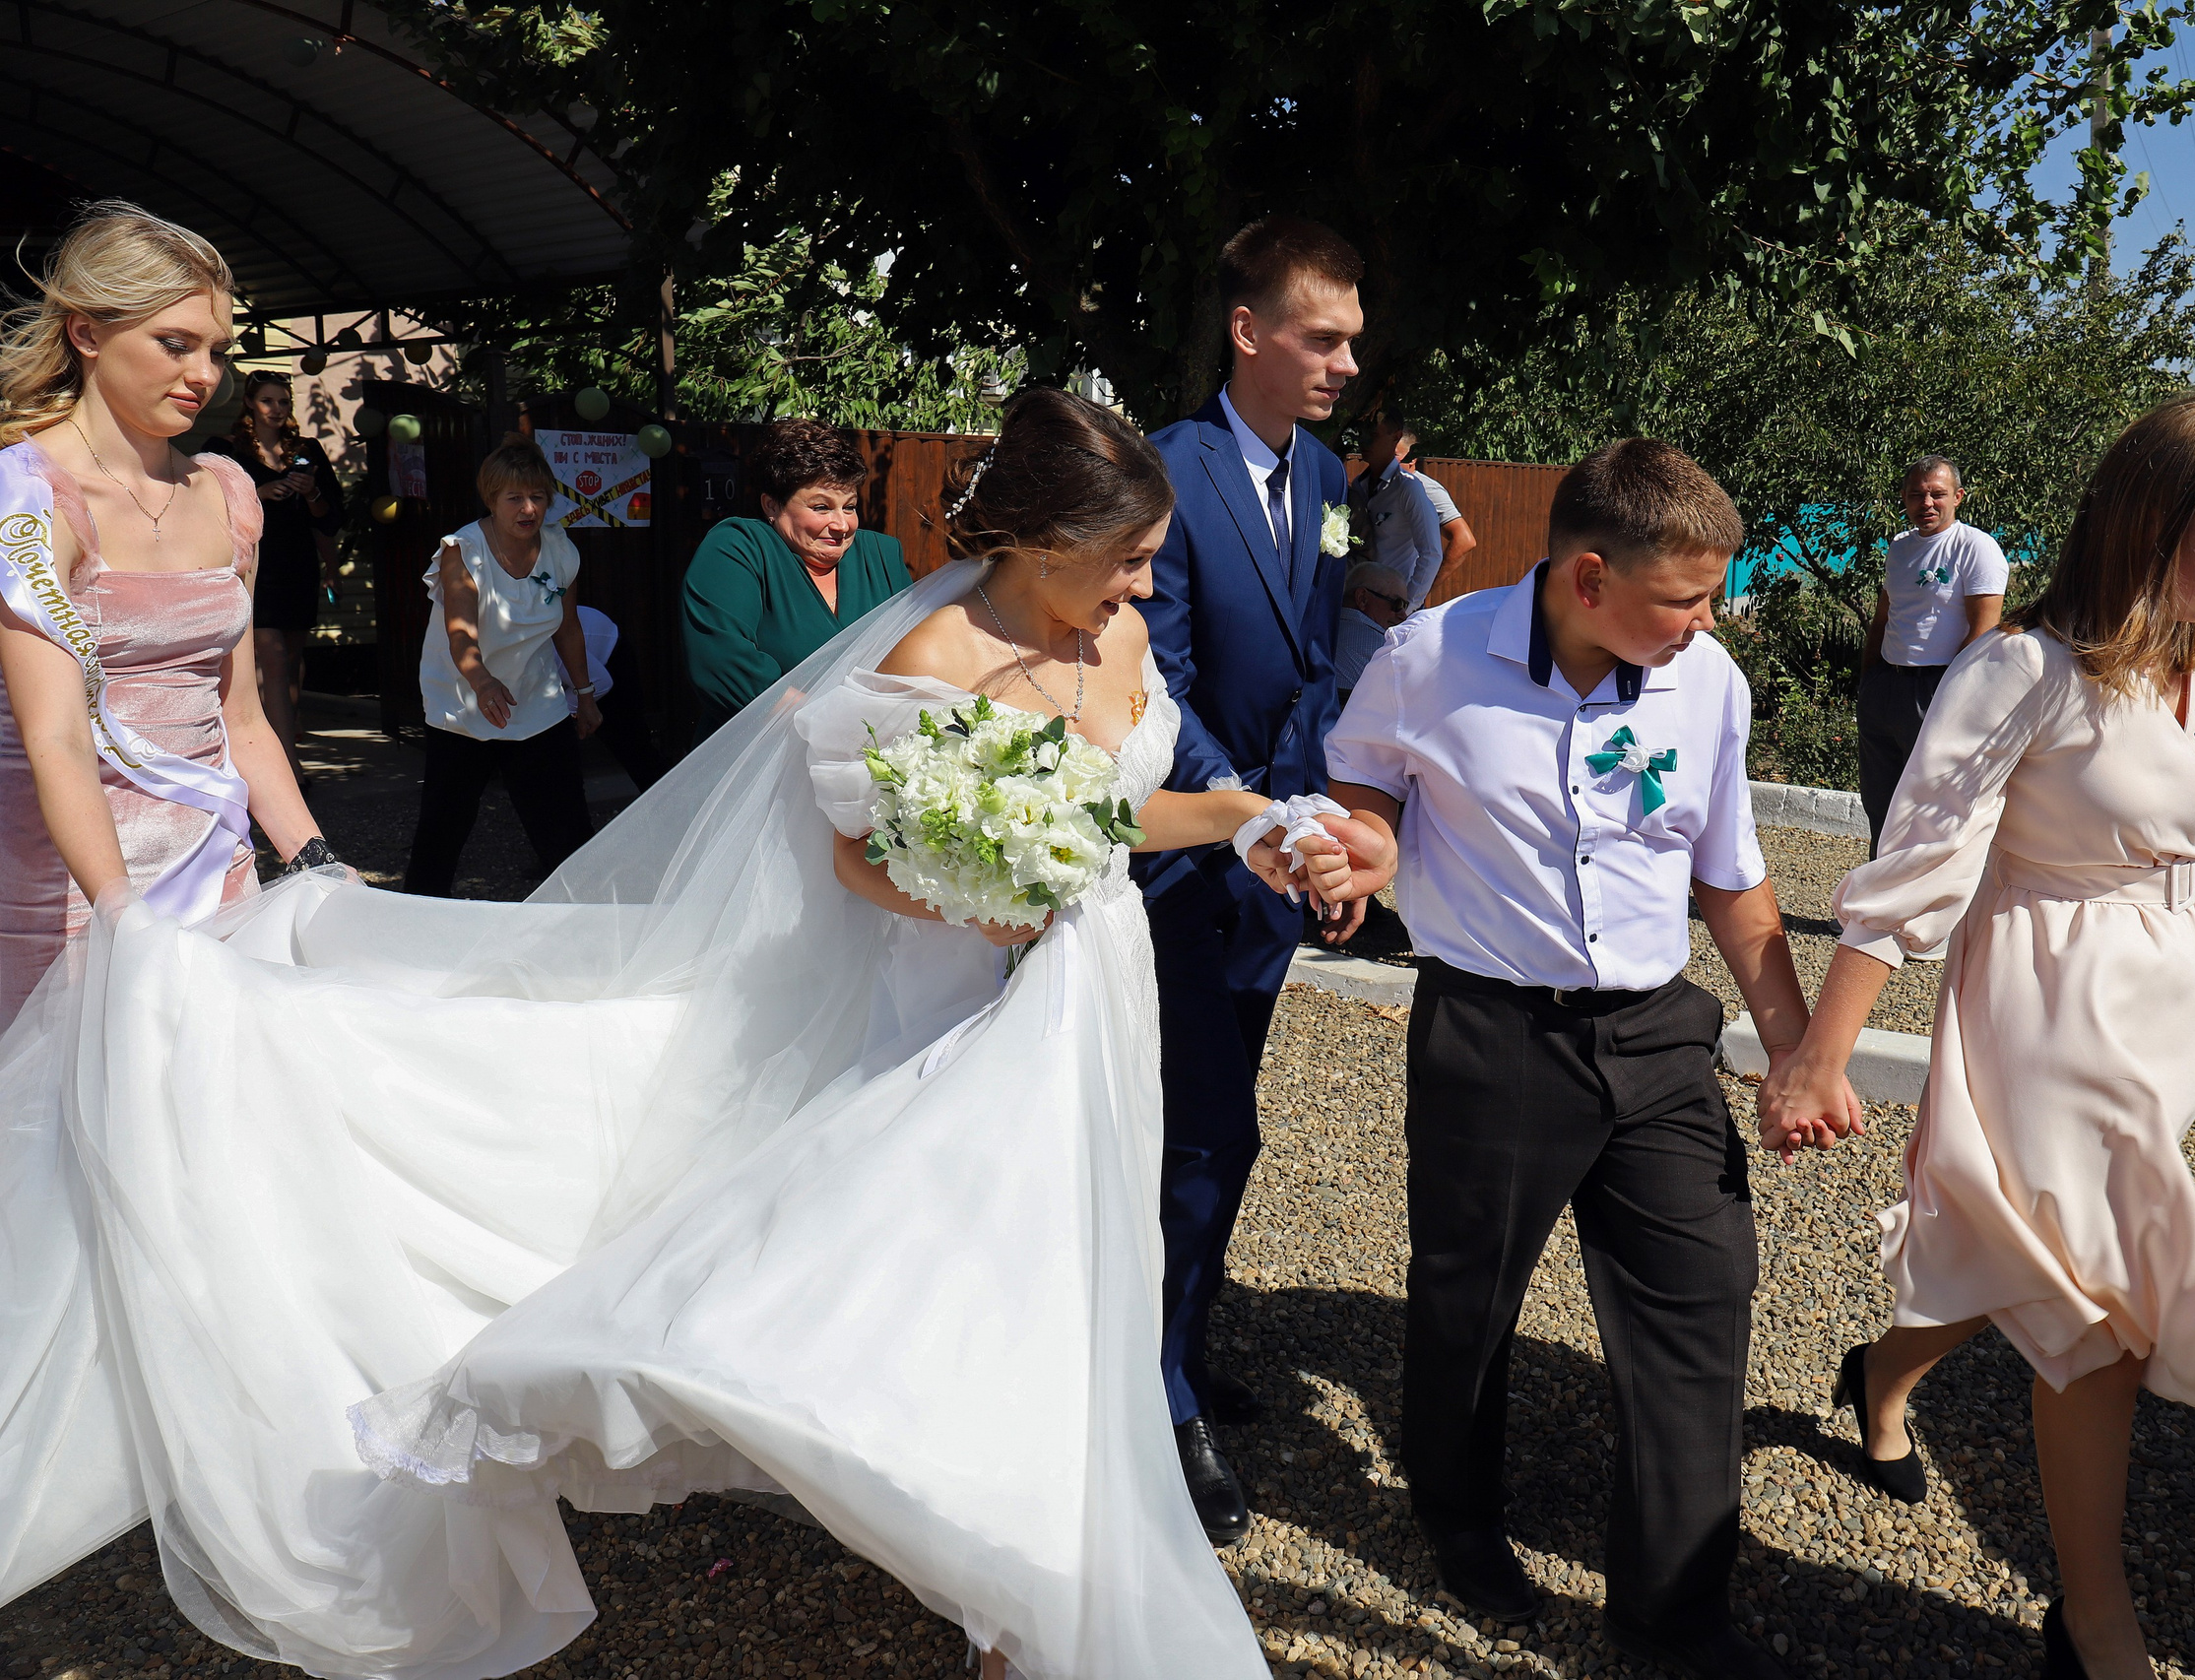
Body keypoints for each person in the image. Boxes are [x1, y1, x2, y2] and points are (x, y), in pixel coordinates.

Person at [0, 387, 1300, 1680]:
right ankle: (1008, 1581)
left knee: (1085, 1268)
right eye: (1128, 556)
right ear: (1040, 539)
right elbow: (860, 864)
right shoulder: (929, 657)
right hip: (970, 1001)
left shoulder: (1118, 644)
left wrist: (1249, 821)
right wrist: (993, 886)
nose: (1146, 581)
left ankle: (1022, 1576)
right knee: (970, 1276)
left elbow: (1121, 815)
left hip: (1096, 991)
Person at [1758, 391, 2195, 1680]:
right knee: (2099, 1307)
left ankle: (1881, 1372)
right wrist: (1823, 1053)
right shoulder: (2023, 669)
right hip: (2046, 993)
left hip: (2163, 996)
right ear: (2147, 523)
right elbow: (1916, 864)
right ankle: (2095, 1622)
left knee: (2051, 1262)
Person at [1300, 440, 1837, 1680]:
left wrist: (1799, 1050)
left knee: (1702, 1299)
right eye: (1683, 599)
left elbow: (1734, 878)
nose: (1708, 621)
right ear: (1587, 575)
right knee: (1467, 1298)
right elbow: (1361, 782)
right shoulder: (1425, 660)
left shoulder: (1708, 681)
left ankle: (1672, 1610)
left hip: (1656, 1036)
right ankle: (1456, 1513)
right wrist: (1367, 845)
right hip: (1493, 1032)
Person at [1135, 214, 1363, 1543]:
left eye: (1349, 340)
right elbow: (1154, 673)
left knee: (1221, 1134)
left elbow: (1317, 661)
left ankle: (1186, 1344)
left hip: (1268, 863)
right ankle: (1161, 1395)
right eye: (1322, 337)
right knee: (1201, 1136)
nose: (1343, 360)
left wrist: (1312, 815)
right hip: (1181, 853)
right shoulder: (1171, 468)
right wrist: (1249, 814)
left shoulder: (1330, 476)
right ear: (1249, 332)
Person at [0, 202, 327, 1033]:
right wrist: (124, 921)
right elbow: (59, 737)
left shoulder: (227, 493)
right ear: (85, 333)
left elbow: (242, 719)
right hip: (69, 895)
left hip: (213, 875)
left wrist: (316, 861)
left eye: (216, 349)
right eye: (174, 344)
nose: (204, 374)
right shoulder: (29, 496)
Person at [402, 437, 599, 896]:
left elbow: (568, 629)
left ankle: (586, 919)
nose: (528, 508)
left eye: (538, 496)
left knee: (566, 826)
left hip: (537, 700)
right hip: (464, 704)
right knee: (443, 829)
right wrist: (482, 680)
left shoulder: (560, 549)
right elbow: (460, 632)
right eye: (515, 497)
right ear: (492, 500)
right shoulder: (463, 550)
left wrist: (585, 695)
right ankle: (416, 924)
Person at [681, 418, 910, 740]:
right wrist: (836, 727)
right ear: (772, 505)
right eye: (821, 507)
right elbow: (723, 662)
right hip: (761, 754)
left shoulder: (883, 554)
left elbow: (911, 653)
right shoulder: (737, 547)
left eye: (850, 507)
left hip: (872, 751)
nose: (842, 524)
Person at [1856, 456, 2008, 854]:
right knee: (1880, 804)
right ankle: (1876, 908)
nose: (1927, 503)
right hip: (1887, 686)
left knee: (1928, 809)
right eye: (1916, 495)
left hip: (1938, 688)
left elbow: (1983, 632)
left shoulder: (1976, 548)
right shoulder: (1900, 547)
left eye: (1937, 494)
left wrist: (1951, 696)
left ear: (1957, 497)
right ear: (1904, 500)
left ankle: (1920, 911)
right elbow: (1884, 617)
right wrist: (1869, 679)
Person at [203, 370, 343, 778]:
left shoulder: (307, 450)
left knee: (294, 659)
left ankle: (279, 739)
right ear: (250, 403)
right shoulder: (224, 450)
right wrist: (257, 494)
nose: (277, 409)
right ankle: (286, 766)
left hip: (297, 562)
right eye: (268, 401)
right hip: (254, 567)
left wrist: (311, 492)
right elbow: (202, 504)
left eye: (283, 402)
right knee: (275, 660)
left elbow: (331, 519)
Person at [1346, 406, 1444, 611]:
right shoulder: (1359, 486)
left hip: (1392, 609)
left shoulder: (1408, 489)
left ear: (1396, 437)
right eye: (1362, 434)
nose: (1364, 441)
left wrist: (1406, 608)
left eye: (1373, 434)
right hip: (1362, 604)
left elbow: (1431, 552)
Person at [574, 603, 672, 791]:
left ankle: (672, 801)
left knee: (632, 746)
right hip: (582, 667)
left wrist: (571, 711)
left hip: (609, 658)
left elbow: (602, 681)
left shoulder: (549, 645)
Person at [1333, 557, 1409, 702]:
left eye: (1405, 606)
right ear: (1362, 598)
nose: (1403, 615)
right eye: (1397, 604)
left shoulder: (1316, 632)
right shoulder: (1388, 649)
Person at [1408, 455, 1477, 600]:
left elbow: (1464, 540)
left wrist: (1421, 590)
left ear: (1412, 459)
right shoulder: (1367, 482)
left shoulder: (1424, 488)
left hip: (1399, 600)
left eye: (1395, 455)